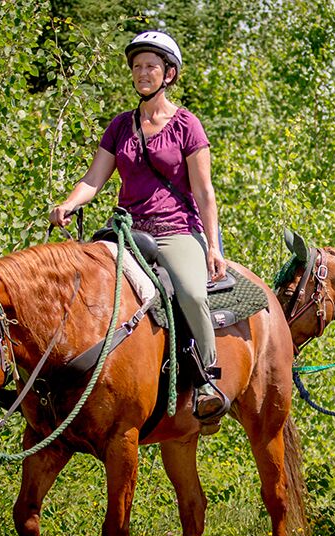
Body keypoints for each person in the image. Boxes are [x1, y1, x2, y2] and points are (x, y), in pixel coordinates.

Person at [48, 30, 228, 421]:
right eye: (137, 66)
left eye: (151, 66)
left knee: (193, 295)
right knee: (82, 287)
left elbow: (204, 191)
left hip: (176, 229)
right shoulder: (119, 126)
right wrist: (67, 203)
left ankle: (207, 380)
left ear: (169, 74)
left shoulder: (187, 125)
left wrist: (213, 246)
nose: (142, 73)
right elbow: (93, 180)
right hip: (126, 230)